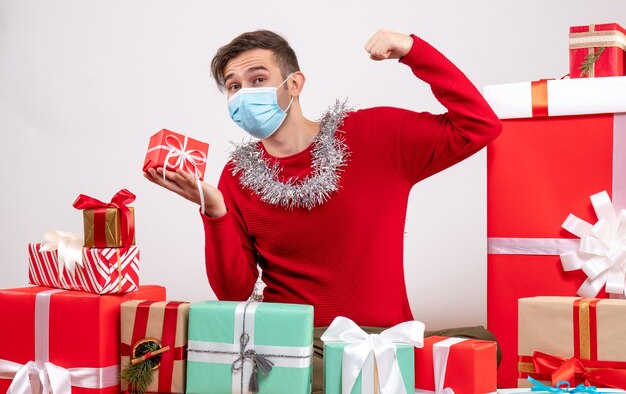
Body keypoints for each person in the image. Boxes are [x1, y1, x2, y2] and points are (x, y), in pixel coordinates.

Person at [145, 28, 502, 392]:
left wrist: (414, 51)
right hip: (291, 351)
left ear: (294, 84)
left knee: (483, 354)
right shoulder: (235, 177)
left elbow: (479, 125)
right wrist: (215, 211)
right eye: (234, 87)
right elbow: (234, 293)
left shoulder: (372, 135)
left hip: (382, 344)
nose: (245, 94)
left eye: (258, 79)